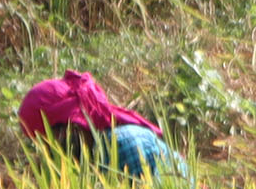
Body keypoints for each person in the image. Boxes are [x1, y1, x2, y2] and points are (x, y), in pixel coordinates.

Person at [17, 71, 188, 178]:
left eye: (45, 140)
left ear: (69, 127)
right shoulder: (91, 154)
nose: (44, 150)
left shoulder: (120, 144)